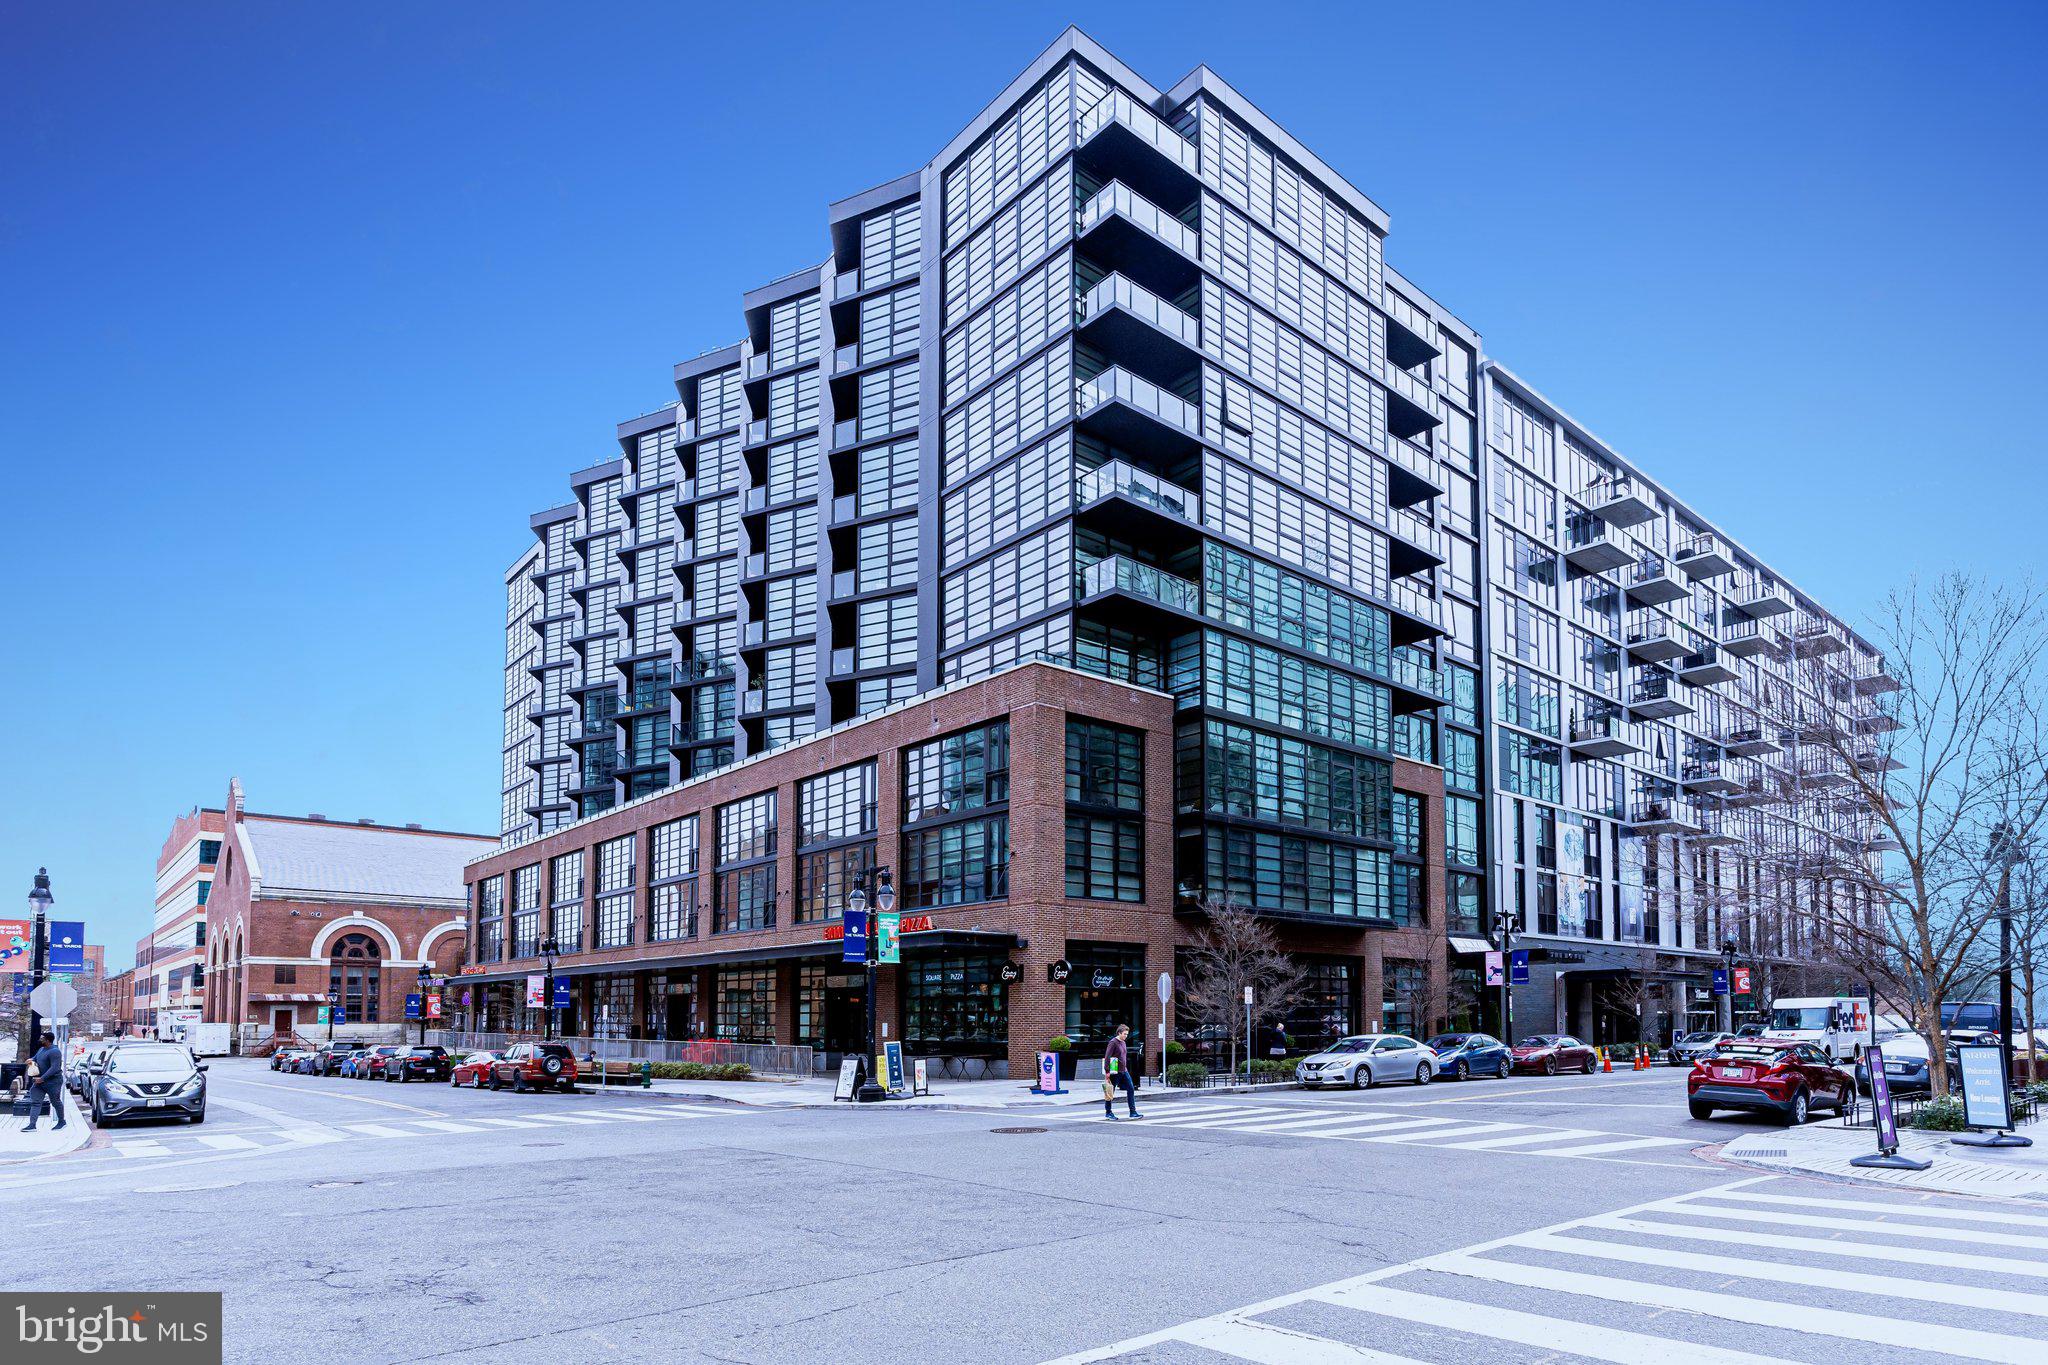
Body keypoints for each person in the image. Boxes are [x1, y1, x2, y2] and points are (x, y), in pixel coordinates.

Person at [22, 1031, 67, 1132]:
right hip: (39, 1082)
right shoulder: (41, 1049)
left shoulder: (55, 1051)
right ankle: (32, 1125)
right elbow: (35, 1058)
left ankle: (62, 1122)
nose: (40, 1040)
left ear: (48, 1040)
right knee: (35, 1102)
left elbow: (54, 1068)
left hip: (53, 1082)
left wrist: (42, 1078)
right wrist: (30, 1060)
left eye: (42, 1038)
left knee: (55, 1102)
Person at [1102, 1023, 1141, 1121]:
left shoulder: (1123, 1042)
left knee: (1131, 1089)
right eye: (1124, 1034)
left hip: (1124, 1071)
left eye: (1127, 1034)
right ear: (1119, 1033)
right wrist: (1107, 1071)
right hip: (1114, 1071)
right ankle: (1108, 1112)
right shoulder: (1113, 1042)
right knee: (1110, 1091)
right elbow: (1107, 1057)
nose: (1126, 1036)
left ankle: (1133, 1112)